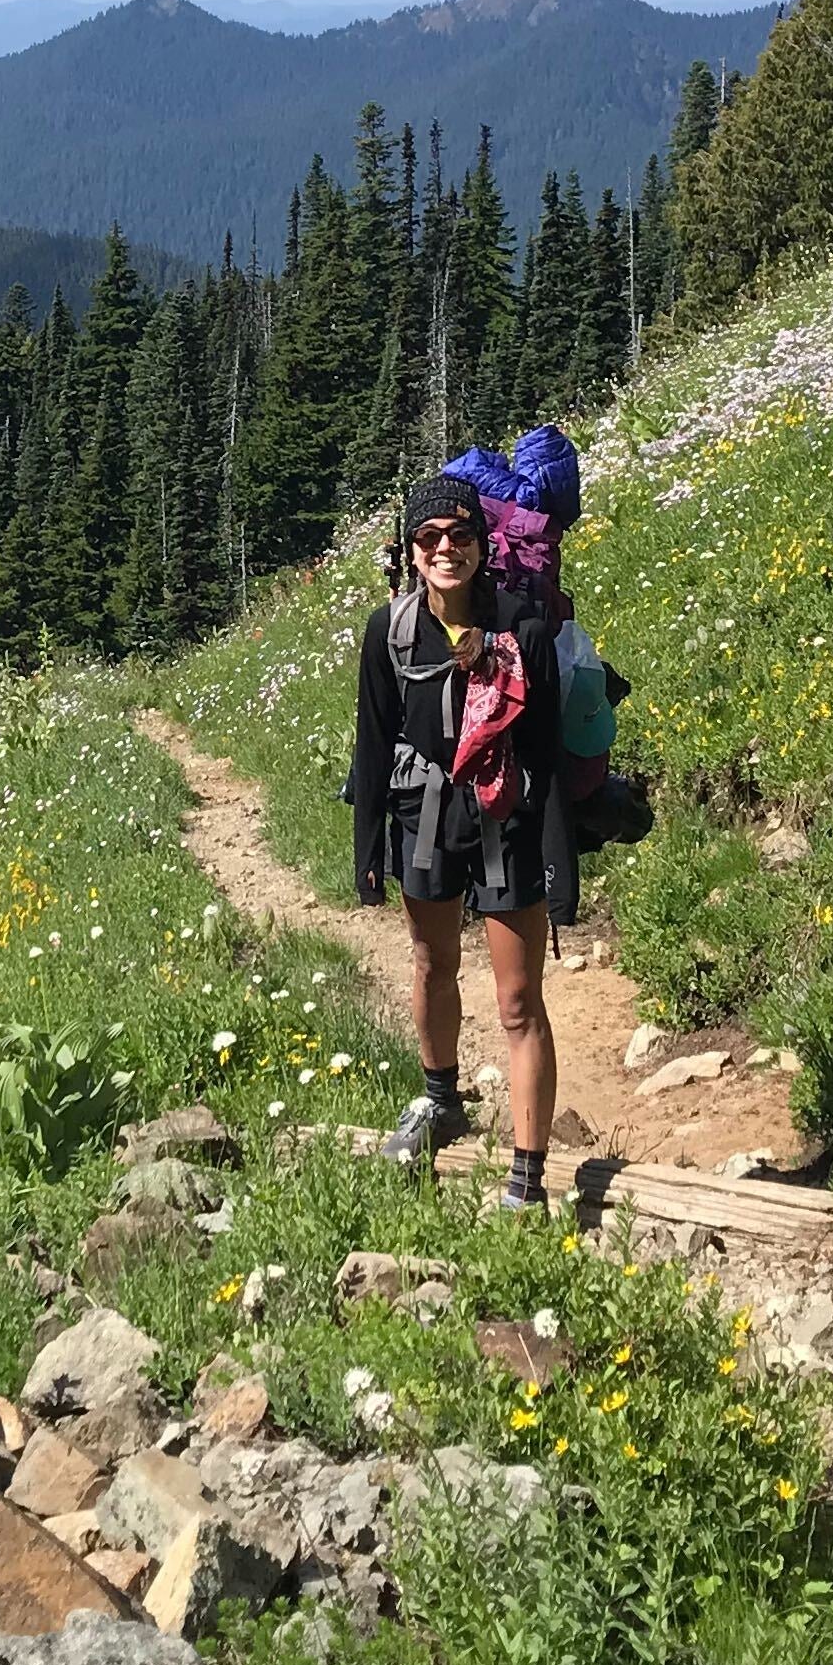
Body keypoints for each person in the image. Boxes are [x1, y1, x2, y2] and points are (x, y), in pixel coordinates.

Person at [344, 469, 572, 1208]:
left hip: (507, 819)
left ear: (480, 545)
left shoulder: (521, 628)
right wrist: (365, 848)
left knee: (516, 1001)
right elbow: (372, 746)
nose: (446, 549)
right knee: (431, 962)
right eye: (430, 537)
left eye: (460, 535)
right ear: (411, 552)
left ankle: (528, 1175)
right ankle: (440, 1098)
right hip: (422, 820)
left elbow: (547, 751)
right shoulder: (390, 630)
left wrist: (559, 863)